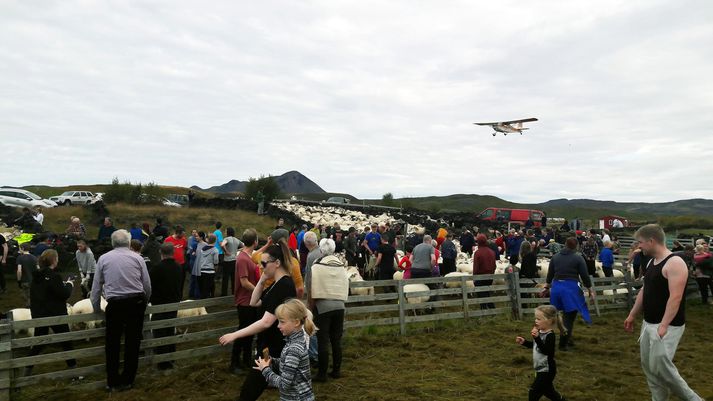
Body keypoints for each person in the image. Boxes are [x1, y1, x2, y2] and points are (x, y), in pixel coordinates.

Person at [624, 224, 703, 401]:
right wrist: (632, 315)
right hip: (648, 324)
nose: (639, 246)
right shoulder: (652, 262)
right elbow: (645, 290)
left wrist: (664, 325)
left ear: (651, 241)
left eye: (640, 243)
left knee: (661, 368)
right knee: (650, 368)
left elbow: (675, 297)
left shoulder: (675, 263)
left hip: (668, 326)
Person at [218, 244, 297, 401]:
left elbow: (267, 322)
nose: (261, 267)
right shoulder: (275, 284)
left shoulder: (284, 285)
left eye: (264, 263)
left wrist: (234, 335)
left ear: (277, 263)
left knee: (248, 393)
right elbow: (254, 302)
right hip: (269, 347)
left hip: (274, 350)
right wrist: (262, 279)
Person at [91, 229, 152, 392]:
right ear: (128, 242)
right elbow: (147, 285)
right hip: (135, 303)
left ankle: (112, 381)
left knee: (112, 344)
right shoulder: (138, 258)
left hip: (115, 305)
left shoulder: (103, 259)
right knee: (133, 342)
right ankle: (128, 380)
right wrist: (144, 303)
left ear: (112, 243)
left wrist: (97, 309)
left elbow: (96, 287)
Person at [24, 249, 76, 377]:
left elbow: (45, 292)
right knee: (66, 342)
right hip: (55, 315)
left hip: (40, 314)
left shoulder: (36, 277)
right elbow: (64, 294)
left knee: (39, 343)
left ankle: (27, 370)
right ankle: (74, 372)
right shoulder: (54, 276)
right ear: (54, 260)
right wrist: (69, 284)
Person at [254, 299, 316, 401]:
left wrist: (265, 370)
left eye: (282, 322)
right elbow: (290, 366)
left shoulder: (294, 349)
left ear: (296, 322)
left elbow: (284, 384)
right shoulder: (293, 342)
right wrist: (272, 361)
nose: (278, 325)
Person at [306, 238, 348, 382]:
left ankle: (322, 374)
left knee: (323, 340)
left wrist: (310, 307)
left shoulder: (317, 265)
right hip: (339, 306)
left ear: (321, 250)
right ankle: (336, 370)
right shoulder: (340, 265)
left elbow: (312, 287)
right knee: (336, 340)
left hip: (323, 307)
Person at [544, 237, 594, 351]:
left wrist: (546, 287)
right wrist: (590, 289)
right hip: (570, 288)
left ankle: (565, 338)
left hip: (556, 288)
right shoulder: (578, 258)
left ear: (565, 244)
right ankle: (563, 344)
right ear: (576, 246)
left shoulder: (555, 257)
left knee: (557, 315)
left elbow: (550, 273)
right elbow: (584, 275)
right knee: (569, 317)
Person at [515, 305, 566, 401]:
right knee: (549, 392)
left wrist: (537, 338)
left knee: (533, 392)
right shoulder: (540, 332)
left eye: (539, 319)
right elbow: (536, 346)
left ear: (549, 321)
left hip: (547, 370)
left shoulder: (550, 335)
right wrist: (525, 342)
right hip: (540, 369)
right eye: (535, 318)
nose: (536, 321)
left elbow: (547, 351)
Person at [230, 229, 260, 375]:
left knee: (249, 333)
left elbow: (256, 253)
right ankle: (234, 362)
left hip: (251, 301)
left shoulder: (247, 255)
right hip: (245, 301)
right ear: (255, 241)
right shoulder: (242, 259)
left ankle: (246, 360)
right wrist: (258, 291)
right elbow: (244, 282)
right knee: (243, 333)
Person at [149, 242, 183, 370]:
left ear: (160, 253)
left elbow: (150, 286)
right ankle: (171, 359)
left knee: (160, 332)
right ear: (173, 253)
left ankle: (163, 362)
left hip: (159, 305)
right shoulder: (178, 267)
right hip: (173, 303)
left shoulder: (156, 268)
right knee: (170, 330)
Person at [473, 234, 496, 309]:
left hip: (480, 277)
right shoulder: (492, 252)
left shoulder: (477, 253)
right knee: (486, 292)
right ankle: (492, 309)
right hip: (490, 277)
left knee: (481, 294)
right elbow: (494, 265)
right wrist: (492, 274)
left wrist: (474, 278)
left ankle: (484, 309)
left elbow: (476, 267)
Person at [221, 227, 242, 296]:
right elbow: (245, 246)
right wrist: (238, 250)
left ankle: (224, 294)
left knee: (225, 278)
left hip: (227, 260)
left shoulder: (226, 239)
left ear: (228, 232)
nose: (225, 232)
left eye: (225, 231)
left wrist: (226, 251)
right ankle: (234, 293)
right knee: (234, 278)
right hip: (235, 260)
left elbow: (222, 245)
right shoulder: (236, 240)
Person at [198, 234, 219, 299]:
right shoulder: (215, 250)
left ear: (207, 240)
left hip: (201, 270)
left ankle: (202, 300)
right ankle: (209, 300)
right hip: (210, 271)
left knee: (202, 288)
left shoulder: (202, 249)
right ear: (215, 241)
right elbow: (216, 261)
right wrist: (215, 269)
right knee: (209, 287)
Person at [16, 243, 37, 307]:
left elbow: (19, 271)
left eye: (19, 249)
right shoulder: (34, 257)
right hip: (33, 281)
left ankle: (29, 310)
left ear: (22, 249)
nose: (19, 250)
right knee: (32, 296)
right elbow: (38, 269)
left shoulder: (20, 258)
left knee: (26, 297)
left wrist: (19, 281)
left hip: (24, 280)